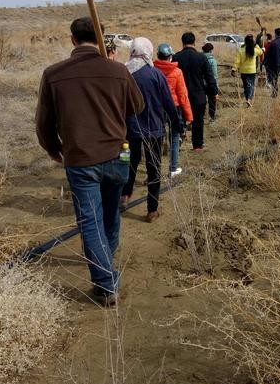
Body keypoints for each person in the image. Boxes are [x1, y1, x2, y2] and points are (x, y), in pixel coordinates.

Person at [35, 17, 144, 306]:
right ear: (99, 37)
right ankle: (105, 268)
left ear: (72, 39)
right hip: (119, 153)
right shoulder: (118, 71)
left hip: (80, 157)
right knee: (110, 212)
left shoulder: (53, 74)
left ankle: (106, 281)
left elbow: (43, 122)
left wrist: (53, 149)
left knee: (91, 221)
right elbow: (137, 106)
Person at [121, 37, 180, 222]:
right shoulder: (155, 75)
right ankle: (152, 210)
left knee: (128, 163)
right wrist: (177, 124)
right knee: (153, 169)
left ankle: (124, 196)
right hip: (154, 130)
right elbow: (169, 103)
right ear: (148, 51)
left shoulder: (123, 74)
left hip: (128, 132)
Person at [173, 32, 218, 151]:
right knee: (198, 121)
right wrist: (213, 92)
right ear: (194, 42)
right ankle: (197, 145)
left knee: (180, 119)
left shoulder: (176, 57)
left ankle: (179, 139)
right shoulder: (201, 57)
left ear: (182, 43)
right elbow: (210, 77)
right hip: (198, 95)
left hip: (181, 96)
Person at [154, 43, 193, 176]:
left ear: (158, 56)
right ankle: (173, 168)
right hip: (174, 108)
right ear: (170, 56)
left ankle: (154, 170)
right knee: (175, 137)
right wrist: (189, 116)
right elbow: (183, 96)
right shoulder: (177, 72)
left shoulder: (153, 70)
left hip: (157, 108)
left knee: (156, 139)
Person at [232, 34, 263, 106]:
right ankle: (249, 99)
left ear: (245, 41)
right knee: (251, 85)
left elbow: (237, 61)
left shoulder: (240, 50)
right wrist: (256, 45)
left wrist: (234, 69)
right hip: (252, 71)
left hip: (243, 71)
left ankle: (247, 99)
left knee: (246, 85)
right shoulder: (254, 50)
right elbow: (261, 52)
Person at [202, 42, 219, 123]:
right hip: (211, 84)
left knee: (202, 102)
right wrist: (216, 87)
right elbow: (215, 75)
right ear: (211, 51)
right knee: (212, 101)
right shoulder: (213, 61)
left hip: (201, 84)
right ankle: (211, 118)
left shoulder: (200, 59)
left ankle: (201, 117)